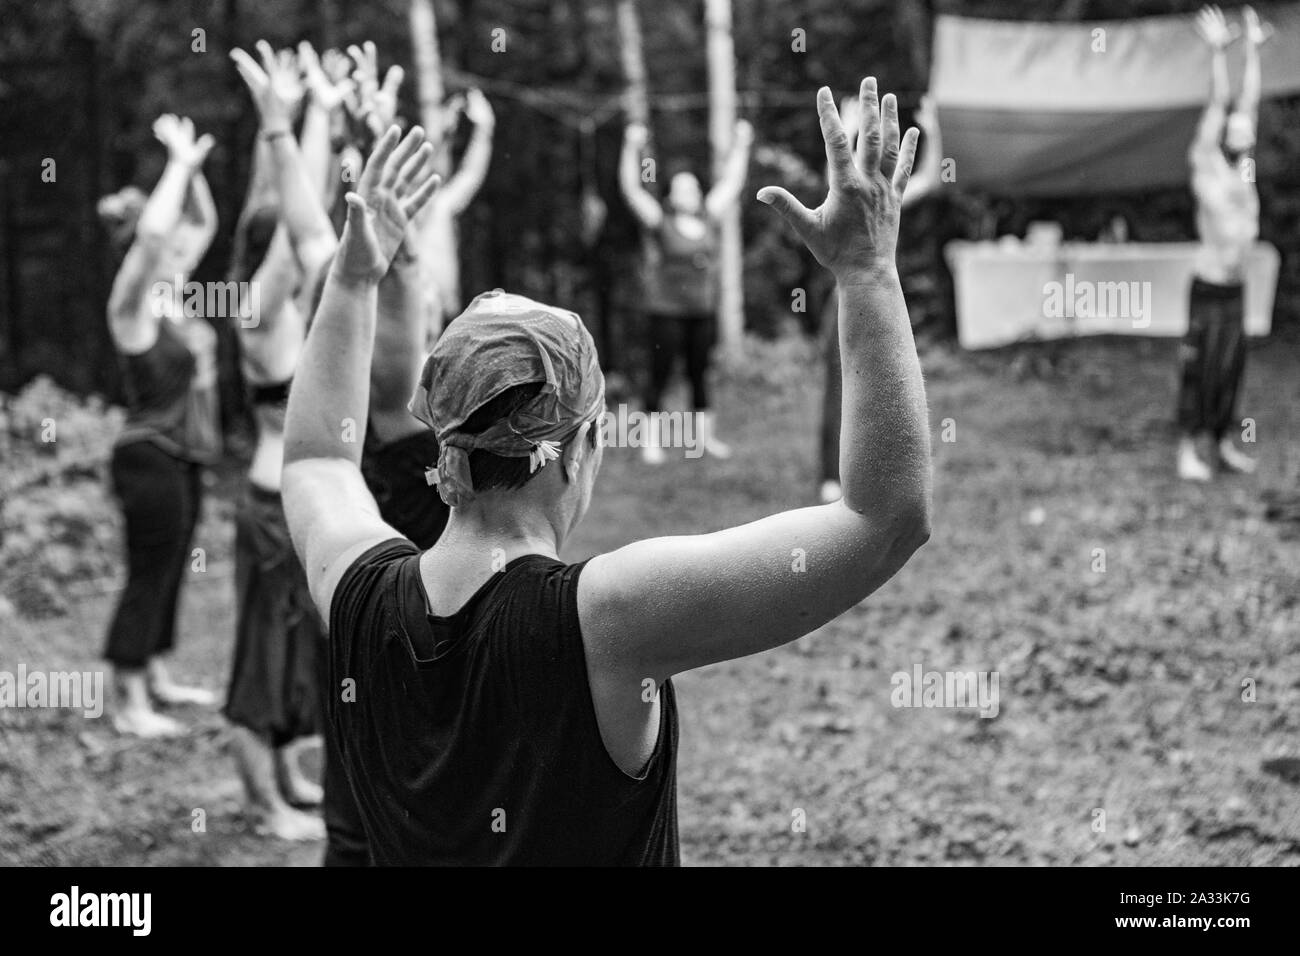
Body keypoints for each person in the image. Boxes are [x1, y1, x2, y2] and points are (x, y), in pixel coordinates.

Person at [280, 78, 931, 865]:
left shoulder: (355, 593)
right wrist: (868, 273)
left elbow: (317, 455)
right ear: (580, 449)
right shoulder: (608, 622)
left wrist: (352, 281)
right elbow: (884, 520)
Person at [233, 40, 453, 866]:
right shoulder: (398, 380)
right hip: (412, 602)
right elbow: (387, 262)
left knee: (352, 711)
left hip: (352, 578)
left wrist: (285, 132)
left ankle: (351, 840)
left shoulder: (340, 290)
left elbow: (304, 222)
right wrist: (358, 124)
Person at [223, 43, 350, 842]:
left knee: (298, 655)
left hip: (293, 513)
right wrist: (289, 122)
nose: (306, 262)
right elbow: (281, 230)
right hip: (269, 509)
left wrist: (320, 116)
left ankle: (287, 779)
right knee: (258, 664)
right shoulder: (258, 319)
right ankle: (261, 805)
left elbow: (297, 222)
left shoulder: (289, 313)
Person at [98, 114, 221, 738]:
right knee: (149, 570)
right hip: (146, 454)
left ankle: (156, 673)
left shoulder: (173, 293)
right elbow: (153, 235)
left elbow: (202, 223)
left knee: (172, 565)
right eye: (162, 245)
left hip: (183, 455)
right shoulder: (130, 309)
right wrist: (174, 162)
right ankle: (127, 701)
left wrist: (194, 171)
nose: (175, 248)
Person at [819, 92, 942, 503]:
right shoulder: (848, 192)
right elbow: (835, 174)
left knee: (887, 382)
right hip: (842, 296)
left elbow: (930, 174)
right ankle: (830, 475)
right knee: (839, 385)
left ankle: (880, 472)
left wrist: (933, 126)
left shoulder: (894, 195)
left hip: (886, 299)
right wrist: (849, 125)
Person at [618, 117, 753, 463]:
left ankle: (704, 440)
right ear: (670, 195)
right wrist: (631, 147)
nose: (687, 193)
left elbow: (733, 182)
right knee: (660, 375)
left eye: (691, 188)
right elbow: (632, 189)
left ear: (698, 193)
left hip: (701, 311)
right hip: (665, 311)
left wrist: (742, 144)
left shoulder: (709, 216)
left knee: (699, 374)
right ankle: (650, 442)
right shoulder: (659, 221)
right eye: (680, 188)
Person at [1177, 4, 1268, 482]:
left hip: (1236, 288)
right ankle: (1188, 448)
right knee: (1202, 369)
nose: (1241, 121)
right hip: (1209, 286)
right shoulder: (1205, 165)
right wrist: (1218, 54)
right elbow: (1220, 103)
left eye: (1244, 125)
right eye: (1234, 123)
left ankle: (1222, 440)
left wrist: (1252, 50)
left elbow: (1246, 102)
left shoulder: (1243, 169)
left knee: (1231, 368)